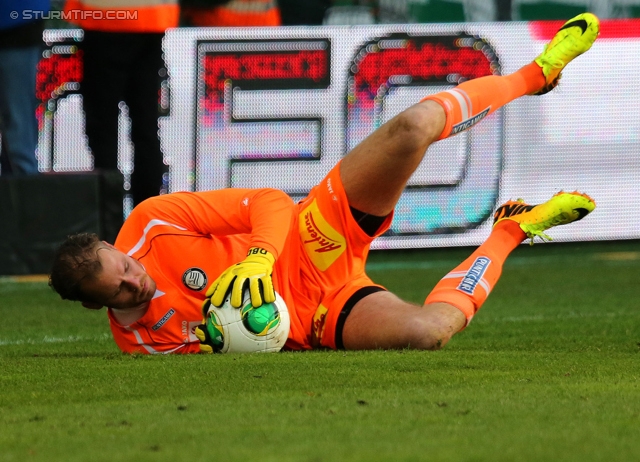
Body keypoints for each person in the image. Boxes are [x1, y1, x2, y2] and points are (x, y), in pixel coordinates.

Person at [49, 13, 599, 354]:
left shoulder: (150, 221)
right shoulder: (145, 344)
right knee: (427, 334)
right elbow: (231, 346)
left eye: (123, 265)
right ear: (98, 309)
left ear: (111, 246)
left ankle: (534, 76)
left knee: (411, 128)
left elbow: (269, 202)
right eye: (118, 291)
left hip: (313, 232)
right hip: (320, 314)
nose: (133, 281)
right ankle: (509, 231)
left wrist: (260, 260)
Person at [62, 0, 179, 206]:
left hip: (106, 16)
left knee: (104, 127)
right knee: (146, 125)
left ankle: (109, 219)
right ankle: (147, 217)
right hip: (152, 17)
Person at [0, 0, 50, 176]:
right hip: (18, 18)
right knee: (18, 126)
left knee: (18, 127)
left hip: (15, 20)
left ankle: (24, 196)